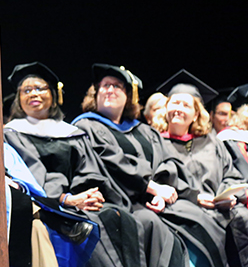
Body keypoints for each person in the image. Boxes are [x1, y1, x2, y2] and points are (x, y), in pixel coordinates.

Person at [72, 64, 227, 267]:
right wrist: (151, 188)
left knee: (199, 218)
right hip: (121, 200)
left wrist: (164, 191)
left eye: (117, 86)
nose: (110, 90)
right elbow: (109, 160)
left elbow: (167, 162)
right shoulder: (86, 126)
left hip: (157, 200)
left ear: (128, 95)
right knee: (155, 224)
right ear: (96, 93)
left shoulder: (145, 131)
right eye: (105, 85)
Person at [4, 62, 144, 267]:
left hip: (79, 201)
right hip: (46, 204)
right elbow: (30, 177)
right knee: (93, 224)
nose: (33, 94)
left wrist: (91, 194)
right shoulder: (11, 134)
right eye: (26, 90)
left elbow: (88, 169)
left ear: (53, 95)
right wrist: (67, 199)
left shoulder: (70, 132)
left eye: (40, 89)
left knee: (118, 216)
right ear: (18, 98)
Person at [153, 81, 248, 267]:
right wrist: (195, 197)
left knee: (243, 218)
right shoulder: (155, 142)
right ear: (166, 108)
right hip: (182, 208)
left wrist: (226, 195)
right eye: (175, 103)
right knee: (200, 223)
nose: (179, 109)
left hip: (221, 208)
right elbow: (157, 178)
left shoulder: (212, 143)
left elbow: (231, 174)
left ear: (196, 114)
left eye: (186, 105)